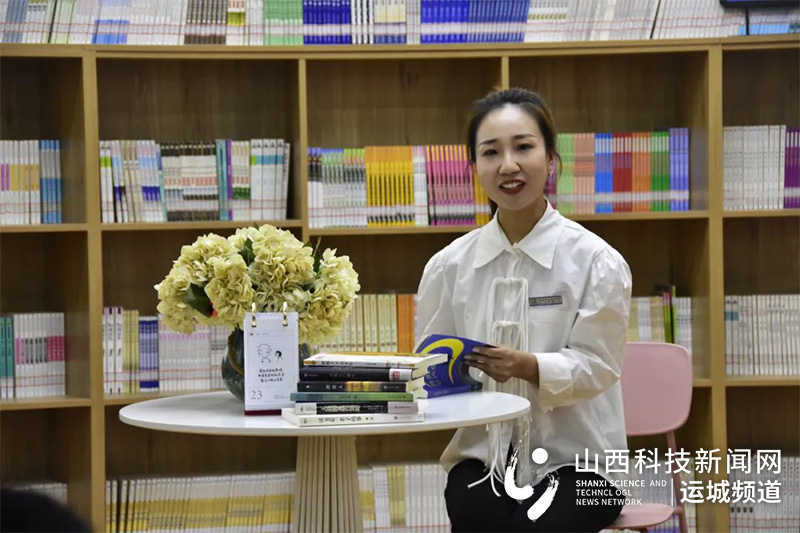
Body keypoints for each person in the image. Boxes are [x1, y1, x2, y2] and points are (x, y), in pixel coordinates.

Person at [415, 88, 632, 532]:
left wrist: (528, 366)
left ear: (551, 159)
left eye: (523, 147)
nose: (508, 165)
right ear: (474, 168)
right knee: (475, 514)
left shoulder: (596, 261)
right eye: (491, 152)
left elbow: (600, 366)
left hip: (581, 463)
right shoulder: (448, 266)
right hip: (483, 456)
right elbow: (430, 367)